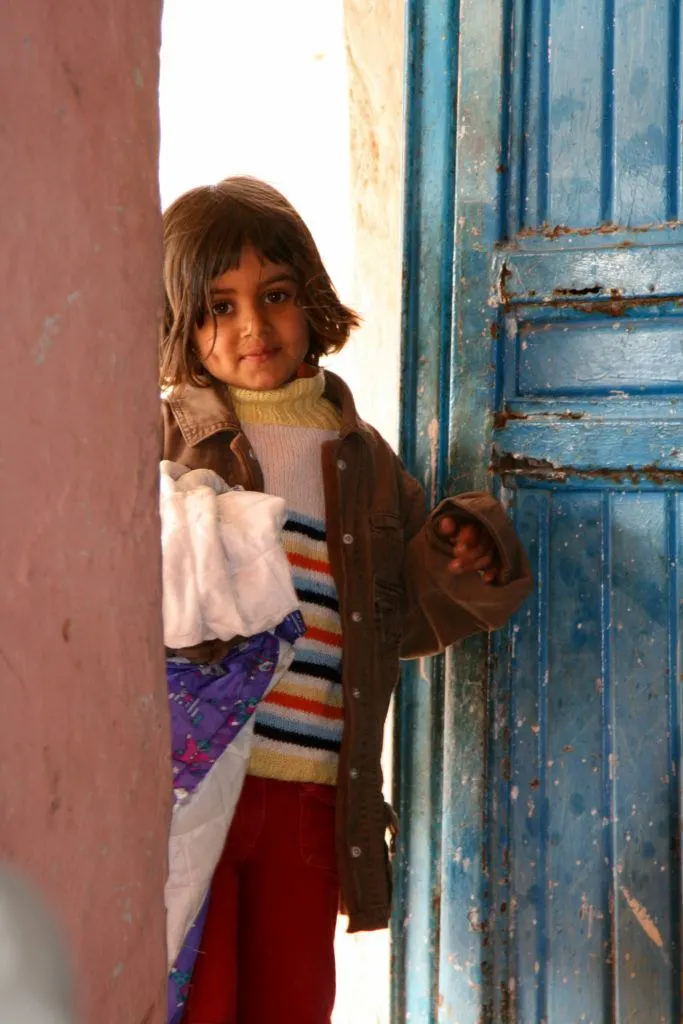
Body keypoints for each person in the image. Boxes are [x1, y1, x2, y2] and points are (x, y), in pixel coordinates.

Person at [160, 176, 532, 1024]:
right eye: (218, 306)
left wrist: (456, 551)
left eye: (276, 295)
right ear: (181, 321)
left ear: (311, 301)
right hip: (198, 788)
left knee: (292, 1000)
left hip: (313, 798)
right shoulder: (169, 438)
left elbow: (398, 615)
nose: (252, 325)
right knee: (195, 999)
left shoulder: (358, 458)